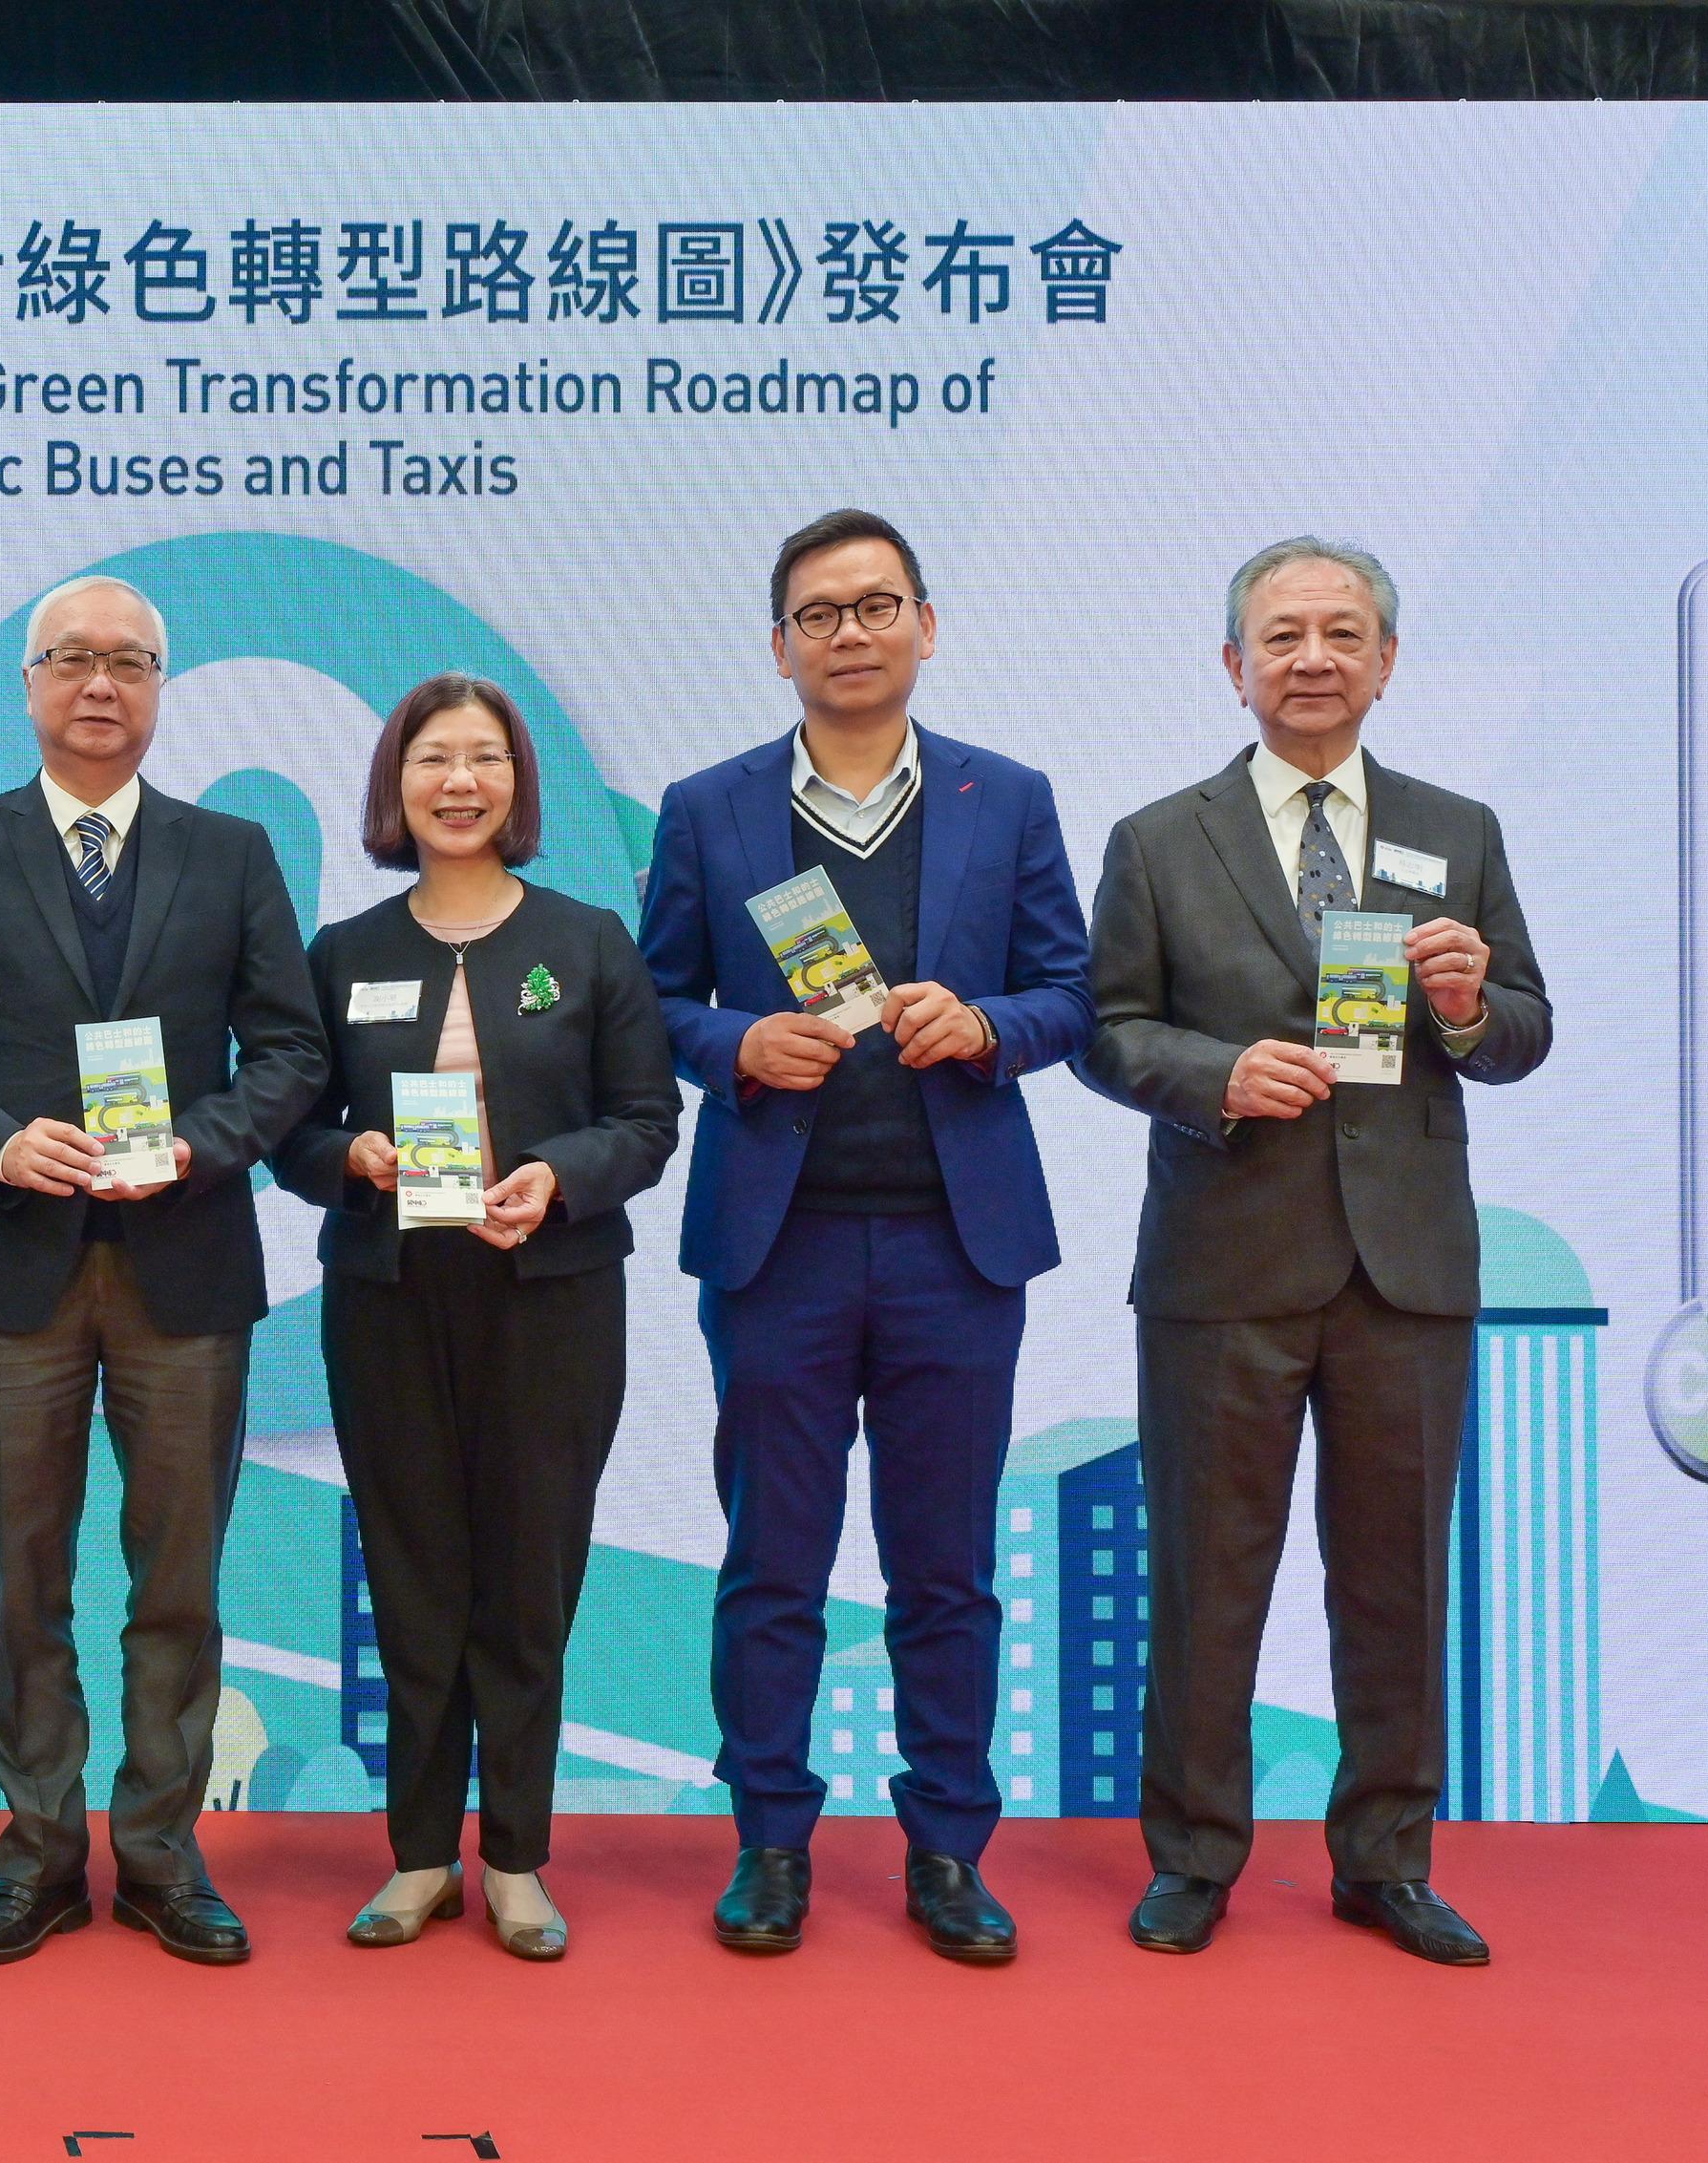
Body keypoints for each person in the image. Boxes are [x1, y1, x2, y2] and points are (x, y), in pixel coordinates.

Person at [1077, 537, 1550, 1967]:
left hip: (1405, 1269)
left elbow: (1523, 1024)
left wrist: (1469, 1007)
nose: (1312, 657)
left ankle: (1387, 1862)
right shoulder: (1163, 838)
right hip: (1225, 1261)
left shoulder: (1454, 827)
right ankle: (1194, 1858)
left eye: (1343, 633)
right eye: (1281, 636)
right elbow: (1108, 1030)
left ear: (1387, 661)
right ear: (1235, 666)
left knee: (1397, 1578)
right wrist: (1218, 1073)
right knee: (1208, 1573)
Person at [637, 509, 1092, 1963]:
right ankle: (769, 1838)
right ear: (779, 645)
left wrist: (988, 1025)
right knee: (775, 1555)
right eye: (819, 612)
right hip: (781, 1247)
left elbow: (1073, 992)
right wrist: (733, 1045)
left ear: (926, 626)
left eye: (876, 604)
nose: (850, 631)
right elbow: (645, 1005)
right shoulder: (708, 808)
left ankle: (949, 1846)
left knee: (945, 1565)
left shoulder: (1003, 796)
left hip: (960, 1248)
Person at [0, 573, 327, 1965]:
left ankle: (159, 1850)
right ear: (29, 686)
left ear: (160, 687)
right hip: (18, 1264)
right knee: (21, 1581)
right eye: (71, 659)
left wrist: (198, 1147)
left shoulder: (234, 850)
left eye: (130, 661)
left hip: (184, 1266)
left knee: (178, 1577)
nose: (99, 684)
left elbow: (294, 1054)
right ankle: (35, 1852)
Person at [270, 675, 679, 1961]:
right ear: (395, 783)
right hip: (390, 1299)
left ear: (518, 781)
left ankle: (513, 1856)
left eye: (485, 758)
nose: (459, 780)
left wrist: (558, 1176)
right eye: (433, 757)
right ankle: (414, 1856)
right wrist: (357, 1159)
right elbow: (288, 1127)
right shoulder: (344, 953)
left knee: (528, 1578)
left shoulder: (591, 940)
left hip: (549, 1294)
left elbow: (648, 1122)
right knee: (414, 1576)